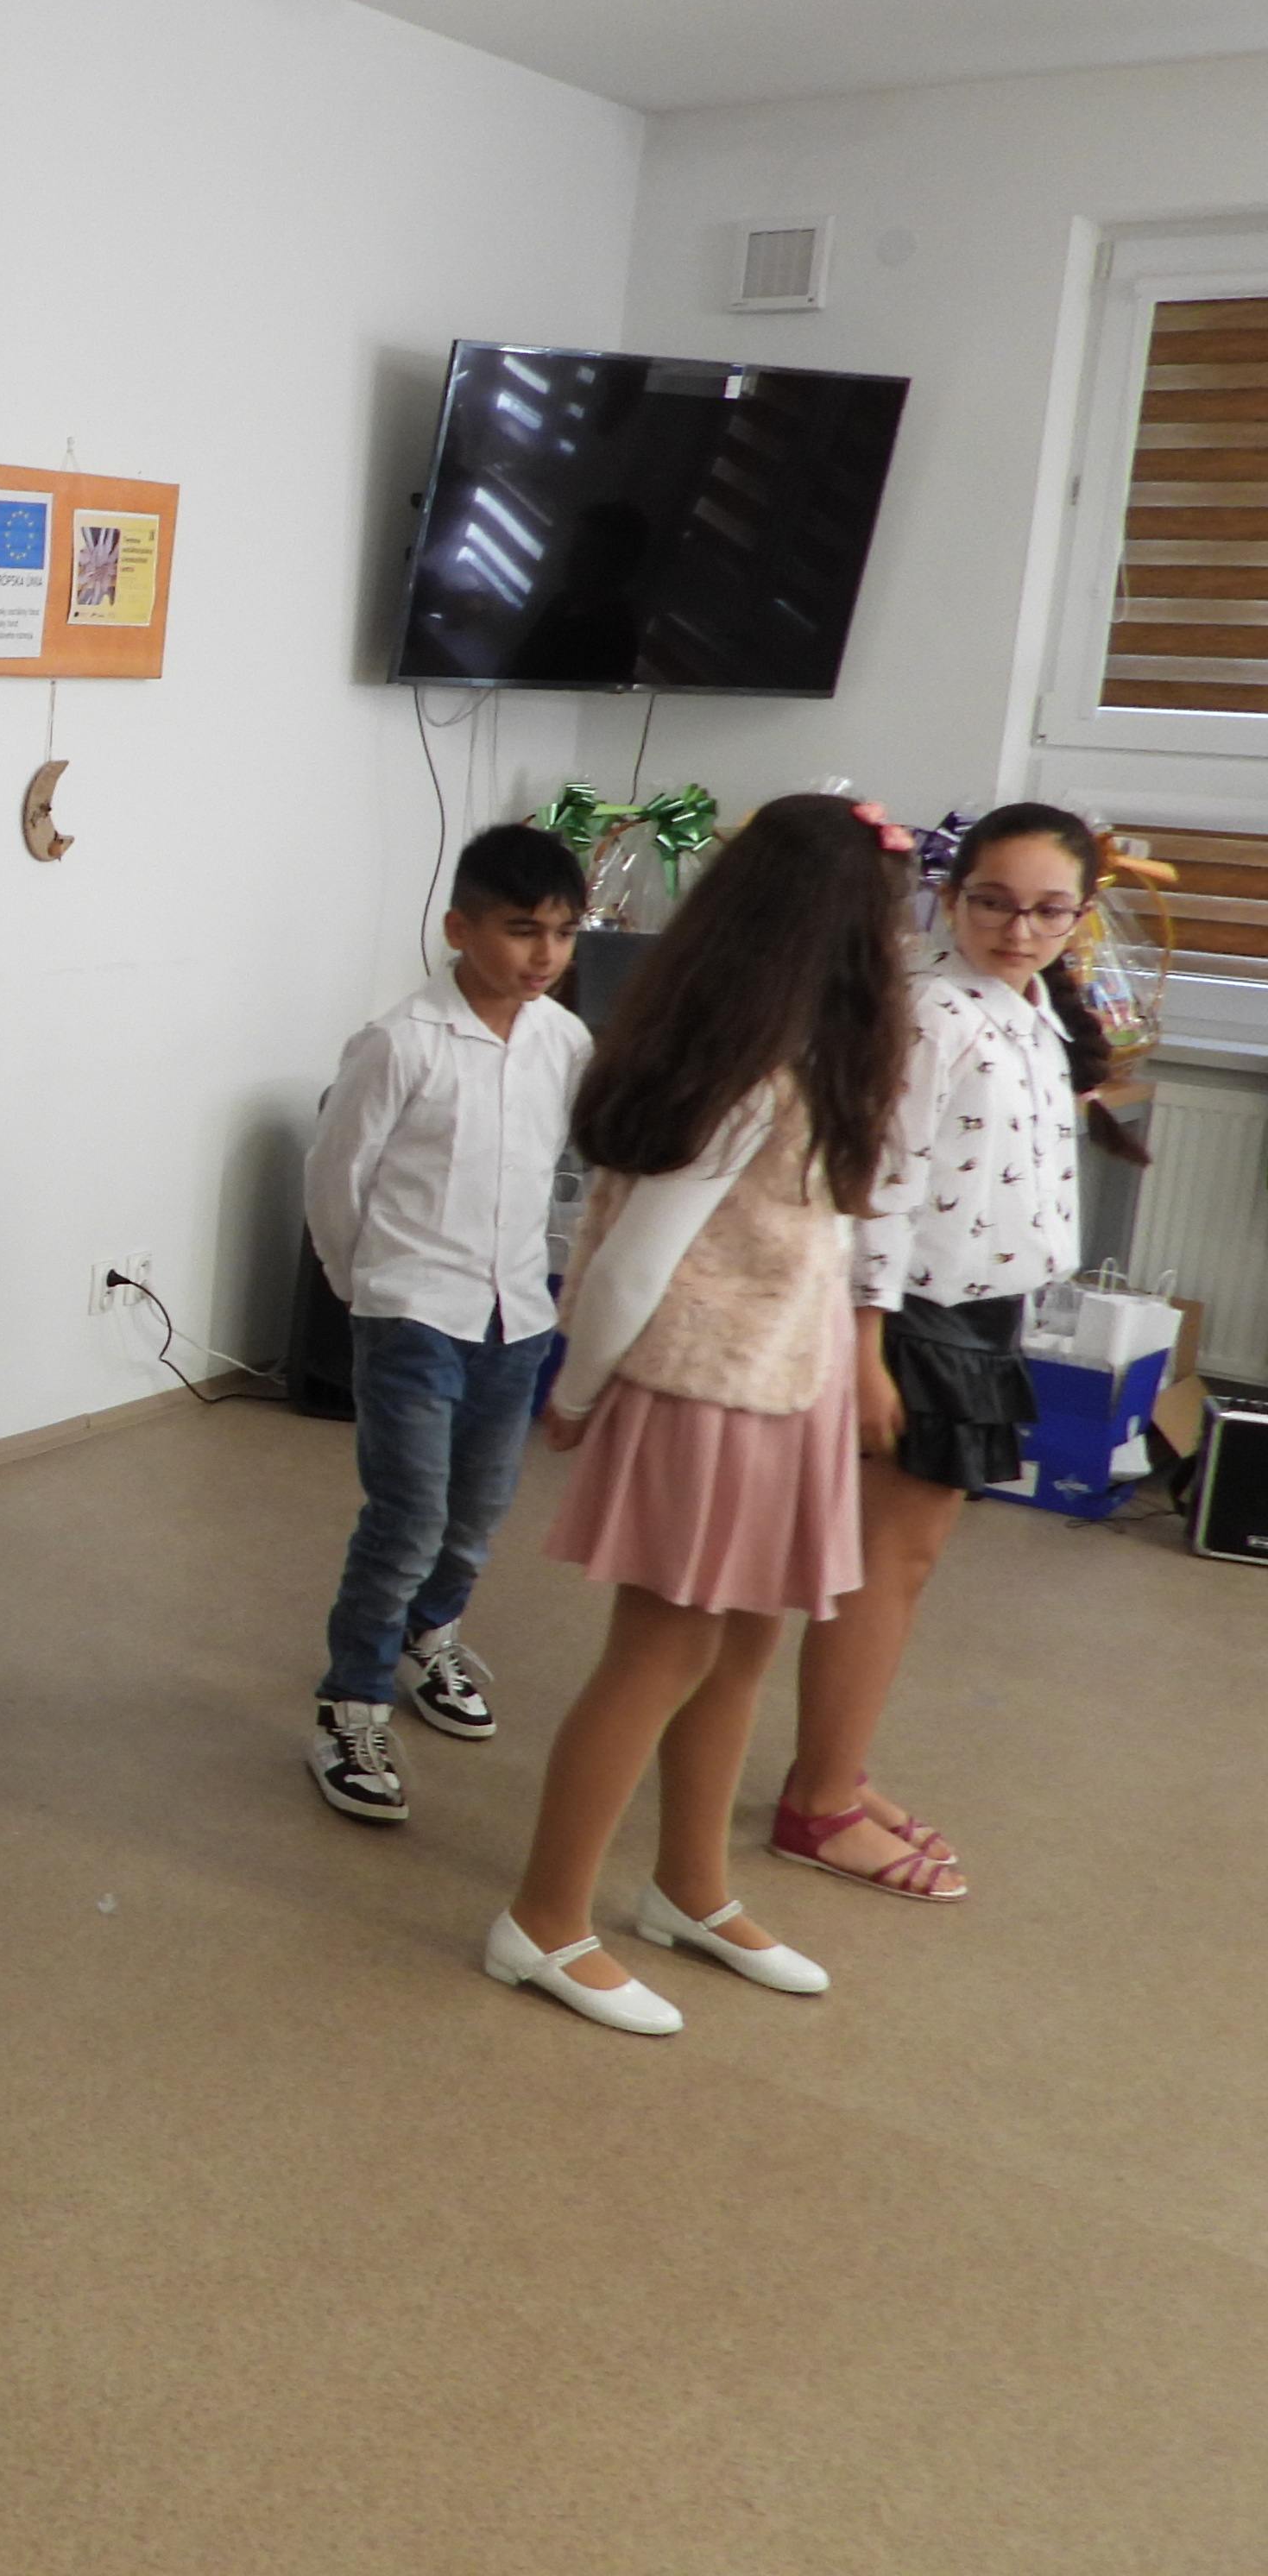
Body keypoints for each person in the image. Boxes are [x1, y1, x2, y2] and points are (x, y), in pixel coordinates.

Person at [487, 792, 914, 2036]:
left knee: (741, 1649)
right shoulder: (747, 1072)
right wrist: (575, 1391)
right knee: (661, 1654)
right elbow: (630, 1263)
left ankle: (690, 1889)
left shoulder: (818, 1056)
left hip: (784, 1388)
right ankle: (543, 1920)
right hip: (703, 1393)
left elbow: (825, 1238)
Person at [776, 803, 1113, 1901]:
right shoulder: (929, 1010)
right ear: (949, 895)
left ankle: (836, 1769)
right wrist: (865, 1344)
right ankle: (818, 1805)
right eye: (994, 904)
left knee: (906, 1566)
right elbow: (880, 1181)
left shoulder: (1031, 1008)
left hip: (983, 1307)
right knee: (887, 1563)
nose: (1020, 930)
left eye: (1049, 911)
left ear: (1080, 915)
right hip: (918, 1312)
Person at [300, 823, 592, 1822]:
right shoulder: (401, 1040)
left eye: (563, 932)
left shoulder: (564, 1041)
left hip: (516, 1315)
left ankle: (431, 1635)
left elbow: (576, 1165)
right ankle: (350, 1703)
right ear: (460, 928)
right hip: (412, 1312)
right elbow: (337, 1174)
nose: (545, 954)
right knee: (408, 1516)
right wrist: (363, 1285)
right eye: (522, 930)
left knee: (477, 1512)